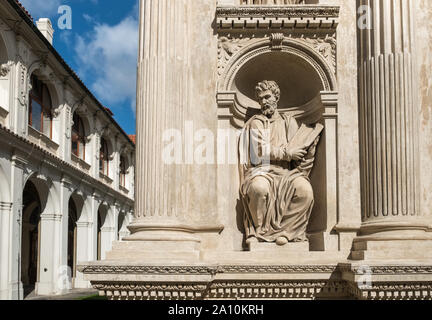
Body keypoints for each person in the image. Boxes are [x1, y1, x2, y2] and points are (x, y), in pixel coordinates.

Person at [238, 80, 321, 247]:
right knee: (258, 189)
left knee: (305, 192)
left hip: (287, 173)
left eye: (267, 96)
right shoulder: (256, 122)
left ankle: (287, 232)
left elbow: (298, 151)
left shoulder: (289, 122)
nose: (264, 101)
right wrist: (287, 153)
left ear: (276, 97)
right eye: (260, 99)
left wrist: (310, 145)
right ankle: (260, 232)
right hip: (262, 171)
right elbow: (259, 153)